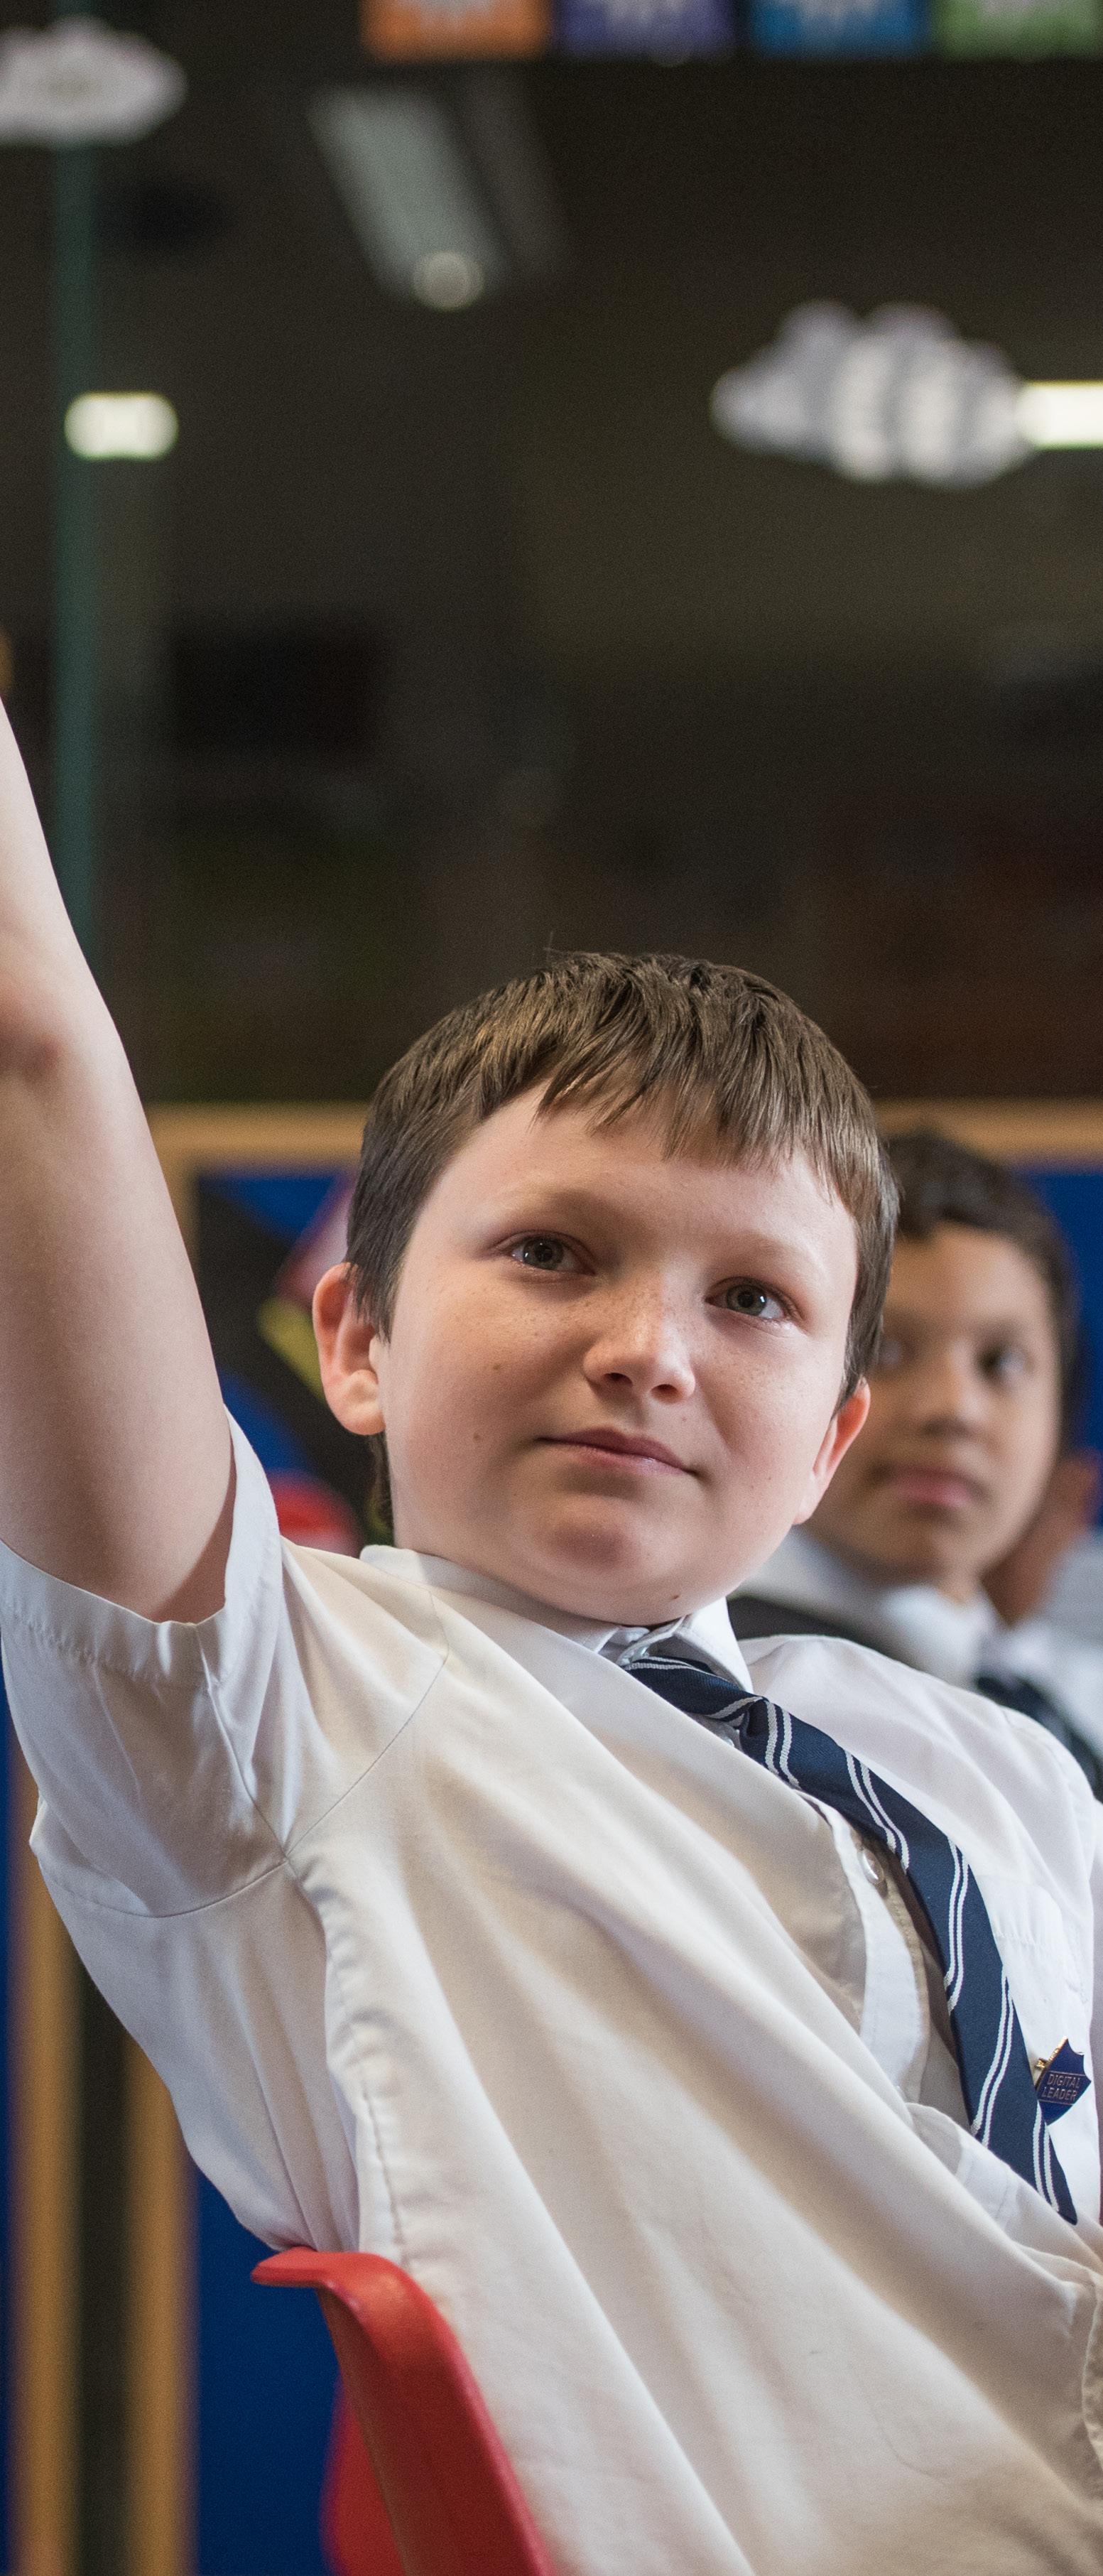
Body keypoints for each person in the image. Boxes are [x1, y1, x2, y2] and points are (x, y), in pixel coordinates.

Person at [1, 699, 1102, 2576]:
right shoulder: (282, 1711)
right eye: (552, 1252)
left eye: (750, 1298)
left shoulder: (993, 1767)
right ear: (354, 1338)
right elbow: (31, 1053)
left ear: (827, 1439)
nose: (649, 1348)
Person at [731, 1130, 1103, 1788]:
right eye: (886, 1351)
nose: (952, 1409)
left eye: (1001, 1363)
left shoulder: (1055, 1698)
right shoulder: (732, 1692)